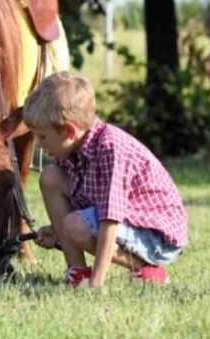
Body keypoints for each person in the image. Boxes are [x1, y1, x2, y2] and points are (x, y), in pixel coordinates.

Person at [24, 72, 188, 288]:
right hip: (125, 223)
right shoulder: (70, 150)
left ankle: (144, 269)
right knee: (50, 177)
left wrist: (97, 283)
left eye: (43, 137)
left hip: (156, 236)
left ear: (69, 131)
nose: (38, 144)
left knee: (75, 225)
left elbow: (110, 220)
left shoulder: (110, 149)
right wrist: (57, 231)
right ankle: (78, 273)